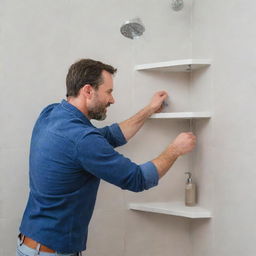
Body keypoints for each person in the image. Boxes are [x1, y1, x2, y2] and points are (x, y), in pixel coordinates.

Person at [16, 59, 196, 256]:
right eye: (109, 92)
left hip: (29, 245)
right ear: (88, 91)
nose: (112, 100)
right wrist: (175, 150)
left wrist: (149, 109)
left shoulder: (51, 113)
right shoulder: (82, 139)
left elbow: (107, 137)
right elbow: (137, 179)